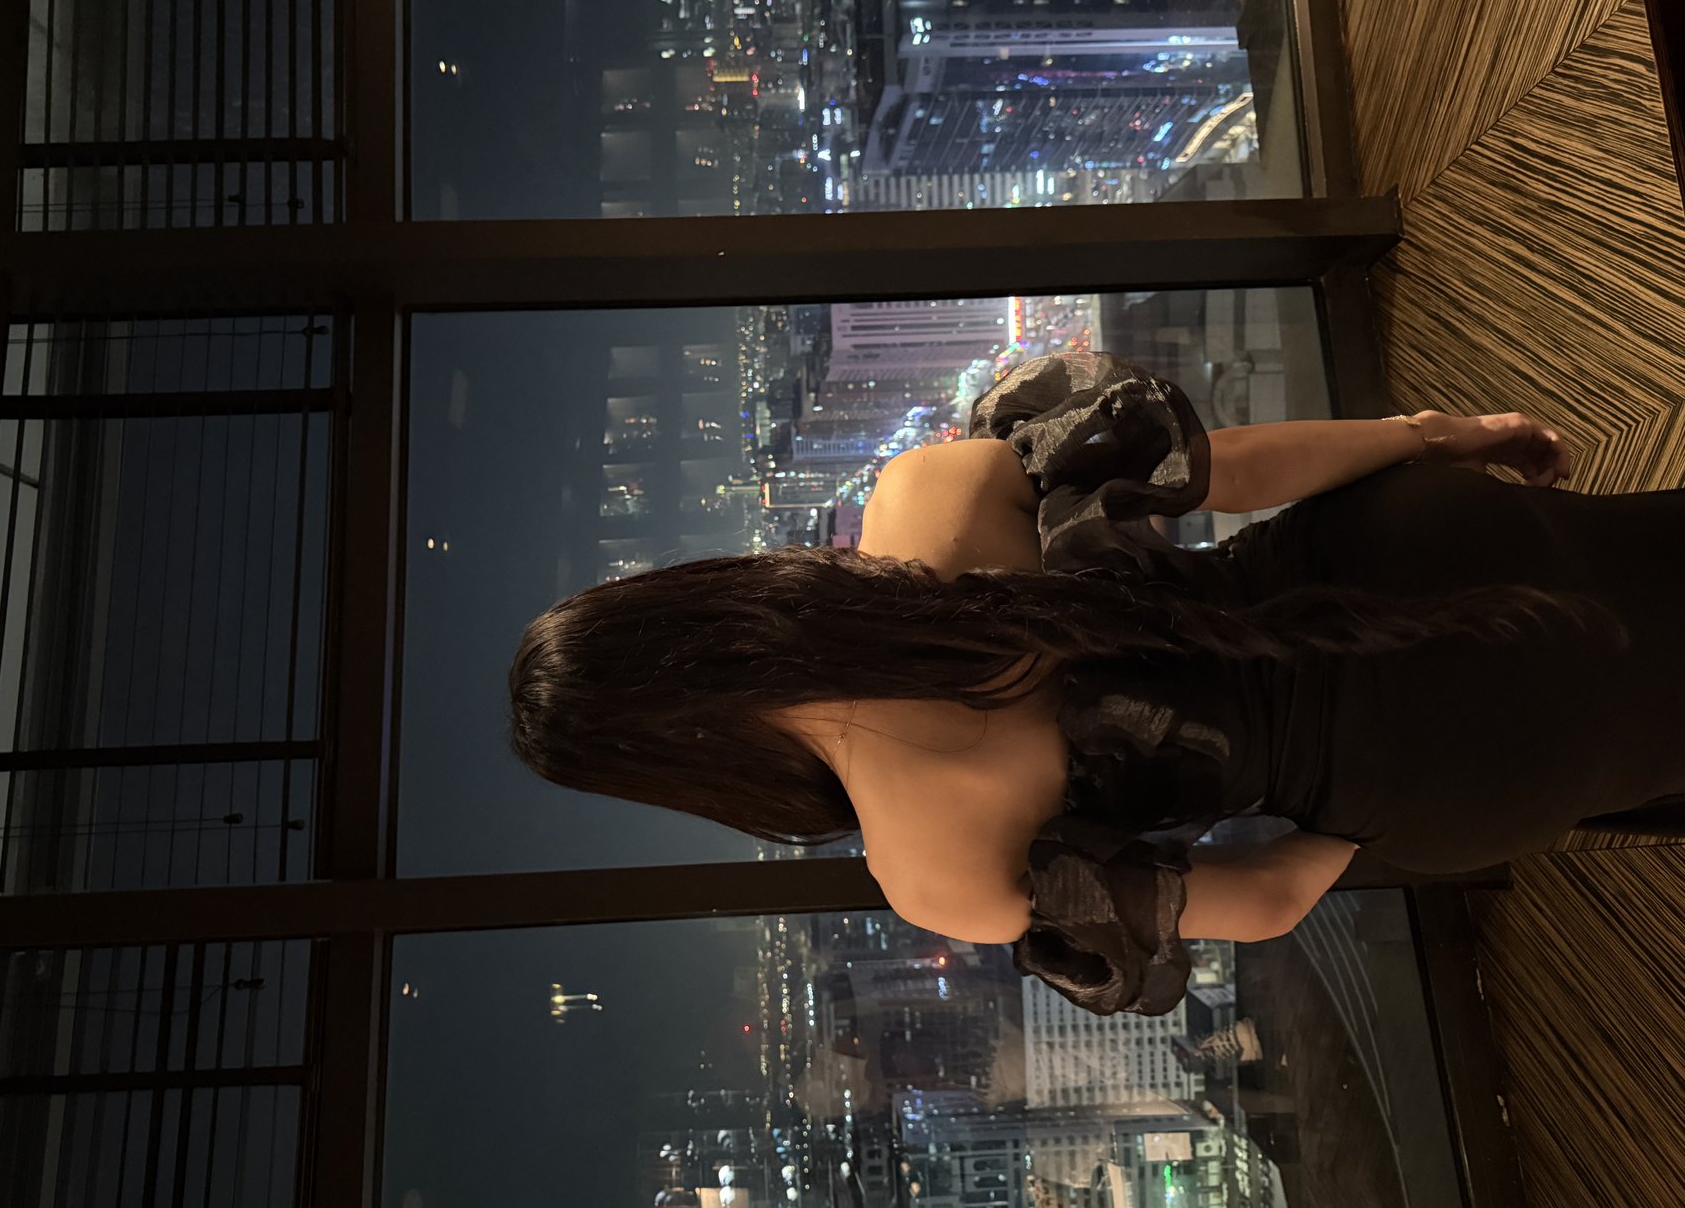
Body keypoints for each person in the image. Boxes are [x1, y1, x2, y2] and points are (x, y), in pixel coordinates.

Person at [508, 352, 1685, 1017]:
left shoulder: (929, 872)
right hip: (1404, 557)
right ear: (693, 599)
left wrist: (1380, 794)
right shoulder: (921, 497)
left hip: (1447, 765)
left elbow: (1266, 902)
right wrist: (1431, 434)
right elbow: (1231, 470)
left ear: (684, 772)